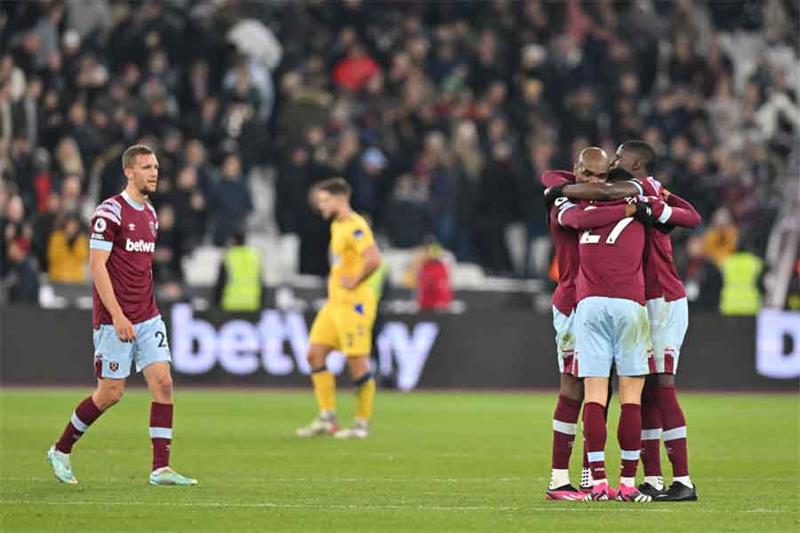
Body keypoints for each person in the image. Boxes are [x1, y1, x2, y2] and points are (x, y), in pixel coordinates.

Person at [551, 140, 702, 501]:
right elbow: (558, 184)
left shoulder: (639, 192)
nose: (610, 167)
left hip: (659, 298)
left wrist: (653, 200)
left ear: (635, 166)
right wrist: (563, 189)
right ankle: (646, 479)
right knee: (641, 391)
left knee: (659, 385)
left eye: (617, 160)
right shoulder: (619, 199)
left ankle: (681, 479)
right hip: (620, 301)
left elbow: (691, 218)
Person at [46, 145, 196, 486]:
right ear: (129, 171)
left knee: (164, 382)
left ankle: (160, 468)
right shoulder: (109, 213)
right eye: (146, 167)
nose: (154, 173)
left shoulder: (152, 215)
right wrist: (117, 315)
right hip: (115, 318)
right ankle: (61, 449)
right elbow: (97, 267)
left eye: (156, 167)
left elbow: (141, 270)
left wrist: (146, 310)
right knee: (111, 393)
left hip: (147, 315)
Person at [542, 147, 651, 501]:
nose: (593, 182)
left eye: (601, 176)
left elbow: (603, 194)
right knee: (574, 389)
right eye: (586, 175)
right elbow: (568, 203)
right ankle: (559, 478)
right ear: (575, 170)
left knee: (598, 392)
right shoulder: (560, 194)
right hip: (572, 302)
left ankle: (591, 473)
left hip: (593, 300)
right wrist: (631, 201)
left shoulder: (588, 195)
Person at [296, 178, 382, 439]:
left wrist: (355, 280)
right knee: (314, 354)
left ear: (339, 198)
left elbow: (374, 259)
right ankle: (327, 417)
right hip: (335, 304)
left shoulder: (356, 226)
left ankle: (361, 424)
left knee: (357, 362)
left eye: (324, 200)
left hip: (354, 305)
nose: (319, 205)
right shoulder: (337, 225)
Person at [213, 231, 264, 312]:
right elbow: (260, 281)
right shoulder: (254, 256)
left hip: (230, 303)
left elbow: (221, 282)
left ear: (233, 241)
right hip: (252, 303)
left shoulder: (228, 256)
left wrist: (216, 302)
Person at [47, 213, 89, 283]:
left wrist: (74, 242)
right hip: (57, 277)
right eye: (69, 224)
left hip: (76, 278)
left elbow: (83, 257)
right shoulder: (56, 237)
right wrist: (64, 241)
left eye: (74, 225)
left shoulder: (80, 239)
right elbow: (52, 256)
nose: (71, 227)